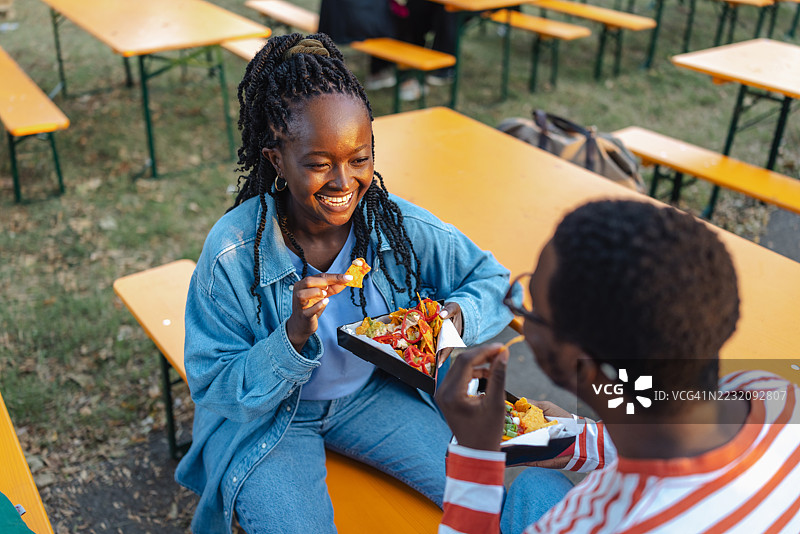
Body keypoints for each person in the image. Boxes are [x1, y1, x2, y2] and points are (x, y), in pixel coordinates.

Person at [174, 33, 514, 534]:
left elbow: (497, 283)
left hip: (373, 398)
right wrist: (289, 339)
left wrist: (450, 319)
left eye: (360, 159)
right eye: (318, 164)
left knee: (489, 498)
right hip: (273, 421)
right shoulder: (232, 252)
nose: (343, 182)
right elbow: (212, 384)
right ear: (276, 161)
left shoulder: (393, 226)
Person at [435, 199, 800, 534]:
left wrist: (475, 459)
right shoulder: (772, 392)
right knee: (535, 486)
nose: (524, 320)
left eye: (533, 310)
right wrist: (577, 439)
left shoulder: (590, 520)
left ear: (580, 364)